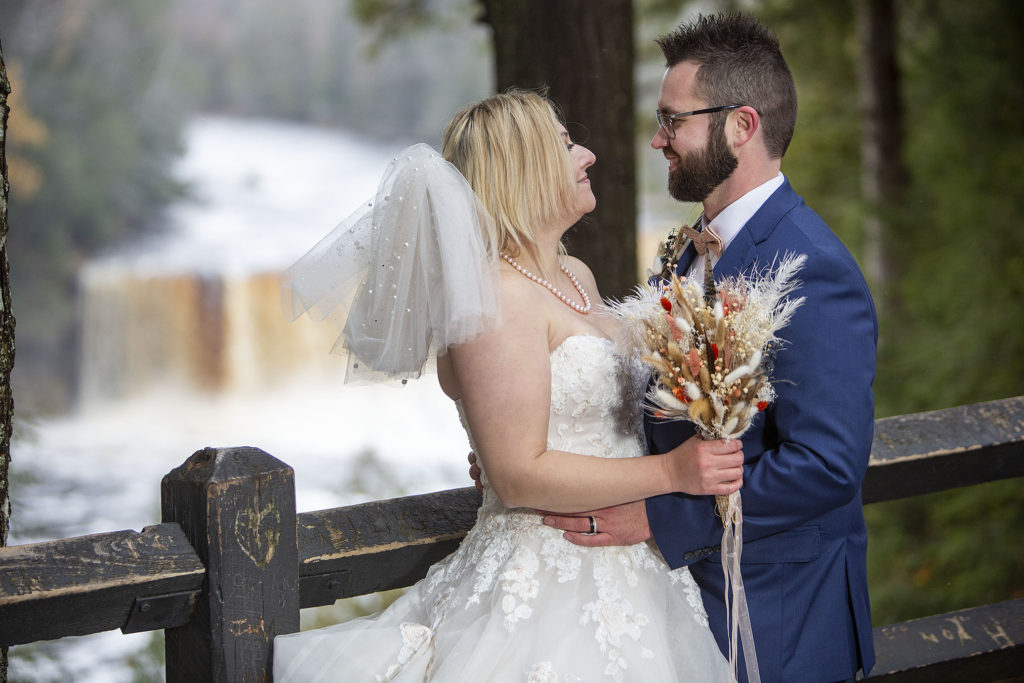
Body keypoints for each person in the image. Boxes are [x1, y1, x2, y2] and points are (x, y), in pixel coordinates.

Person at [274, 90, 735, 681]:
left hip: (634, 569)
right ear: (522, 168)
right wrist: (673, 475)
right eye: (567, 146)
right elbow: (518, 474)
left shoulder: (575, 274)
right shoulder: (494, 297)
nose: (589, 154)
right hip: (547, 576)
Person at [542, 12, 879, 683]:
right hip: (682, 608)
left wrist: (661, 516)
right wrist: (536, 446)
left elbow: (826, 465)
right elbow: (657, 410)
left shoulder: (813, 267)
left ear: (741, 126)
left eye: (673, 121)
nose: (656, 140)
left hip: (778, 616)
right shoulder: (688, 248)